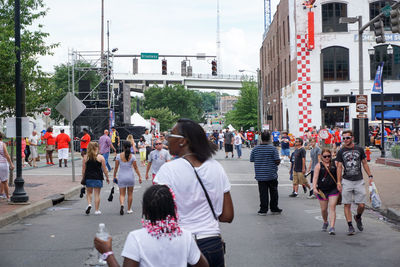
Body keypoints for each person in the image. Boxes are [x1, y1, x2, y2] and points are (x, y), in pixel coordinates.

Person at [154, 118, 234, 267]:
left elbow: (157, 216)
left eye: (171, 135)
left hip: (180, 244)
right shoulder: (216, 167)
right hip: (213, 244)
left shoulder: (168, 170)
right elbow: (227, 216)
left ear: (183, 141)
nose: (167, 139)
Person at [94, 185, 209, 267]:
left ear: (145, 211)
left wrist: (107, 253)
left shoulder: (136, 238)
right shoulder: (185, 236)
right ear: (173, 208)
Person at [336, 130, 374, 235]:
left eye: (347, 138)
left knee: (361, 205)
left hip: (359, 180)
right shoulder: (341, 151)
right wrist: (338, 182)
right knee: (347, 204)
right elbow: (339, 167)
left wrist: (370, 175)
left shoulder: (359, 149)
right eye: (343, 138)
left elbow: (365, 163)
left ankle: (358, 217)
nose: (345, 140)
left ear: (352, 138)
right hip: (347, 180)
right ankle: (350, 226)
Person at [250, 131, 282, 216]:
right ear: (269, 139)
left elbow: (252, 159)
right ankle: (274, 208)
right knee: (273, 192)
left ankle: (263, 209)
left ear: (261, 138)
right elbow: (277, 161)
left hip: (260, 175)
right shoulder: (273, 149)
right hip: (271, 174)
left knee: (263, 193)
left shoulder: (255, 149)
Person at [313, 148, 340, 235]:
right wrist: (314, 188)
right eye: (325, 156)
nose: (327, 158)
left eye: (329, 156)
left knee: (332, 207)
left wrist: (340, 183)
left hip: (333, 189)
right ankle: (325, 221)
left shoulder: (335, 164)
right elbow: (315, 178)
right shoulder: (318, 166)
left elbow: (340, 174)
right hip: (322, 190)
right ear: (321, 157)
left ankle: (332, 227)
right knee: (324, 209)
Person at [114, 141, 142, 215]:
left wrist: (114, 176)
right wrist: (139, 176)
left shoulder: (118, 156)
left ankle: (122, 204)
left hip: (121, 176)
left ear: (123, 147)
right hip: (130, 176)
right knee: (130, 194)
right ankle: (129, 209)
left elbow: (116, 168)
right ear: (130, 147)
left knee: (122, 194)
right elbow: (136, 168)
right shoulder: (132, 156)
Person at [81, 142, 109, 215]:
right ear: (96, 148)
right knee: (97, 194)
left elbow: (83, 169)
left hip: (88, 177)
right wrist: (107, 177)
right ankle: (97, 210)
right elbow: (104, 169)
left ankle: (89, 204)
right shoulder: (100, 157)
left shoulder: (85, 157)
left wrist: (83, 177)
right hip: (98, 177)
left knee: (89, 193)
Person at [0, 132, 15, 199]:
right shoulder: (2, 144)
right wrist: (11, 163)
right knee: (5, 181)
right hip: (2, 164)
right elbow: (6, 154)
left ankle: (1, 193)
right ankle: (8, 196)